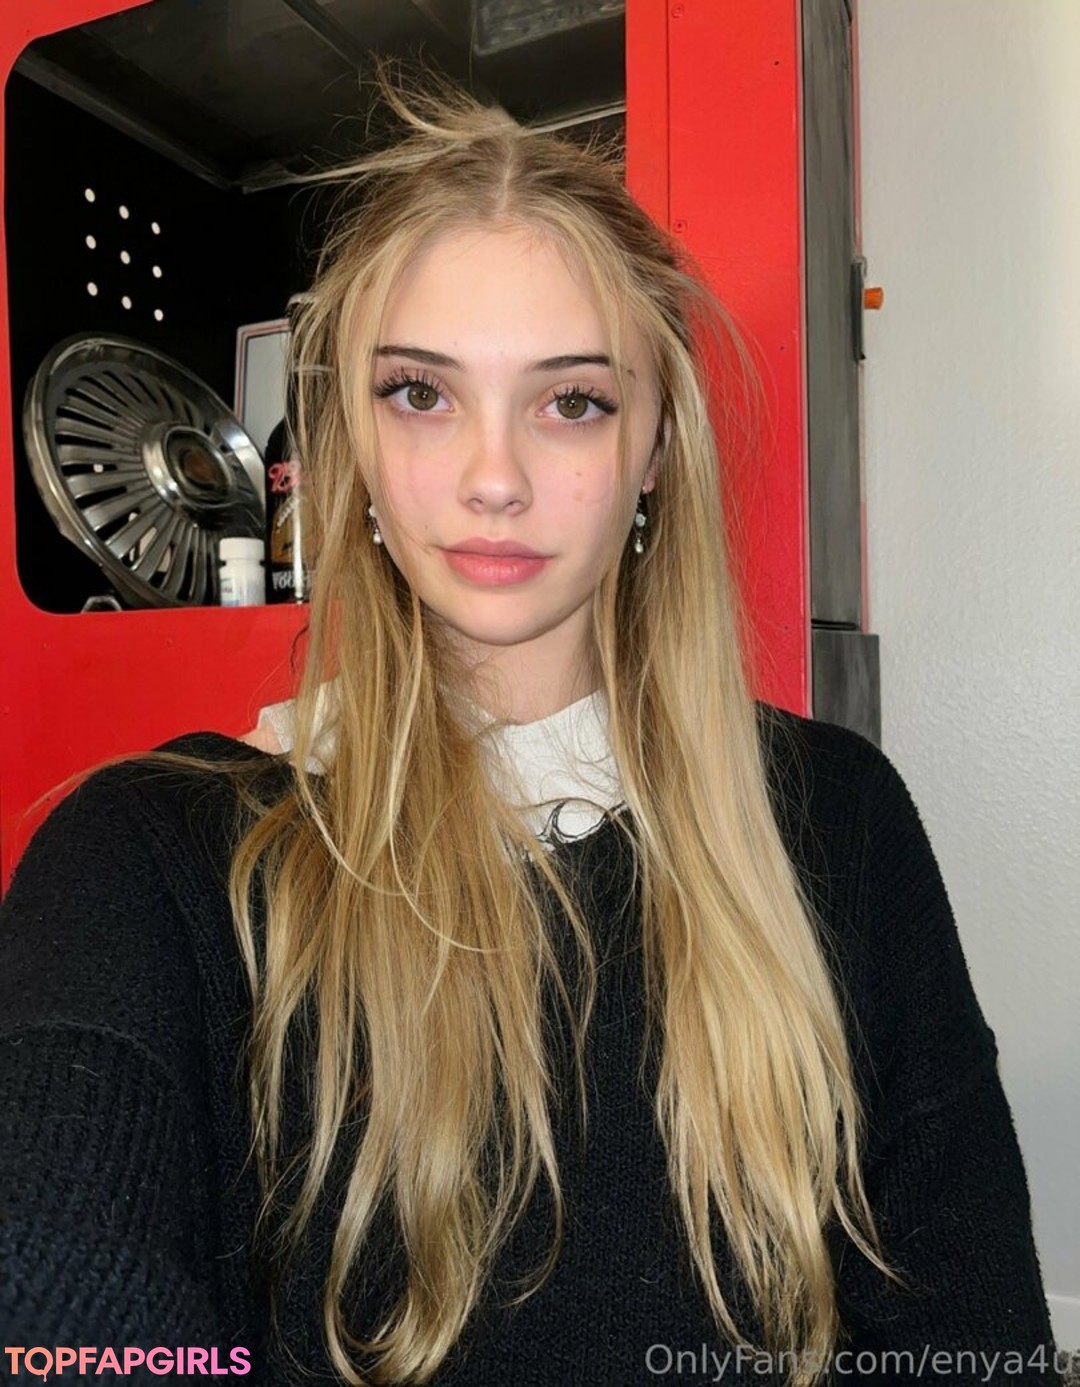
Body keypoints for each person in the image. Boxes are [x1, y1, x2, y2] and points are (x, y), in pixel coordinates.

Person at [0, 78, 1062, 1387]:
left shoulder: (840, 819)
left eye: (572, 402)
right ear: (351, 442)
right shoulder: (141, 861)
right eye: (420, 394)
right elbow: (61, 1314)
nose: (492, 478)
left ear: (655, 448)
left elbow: (970, 1342)